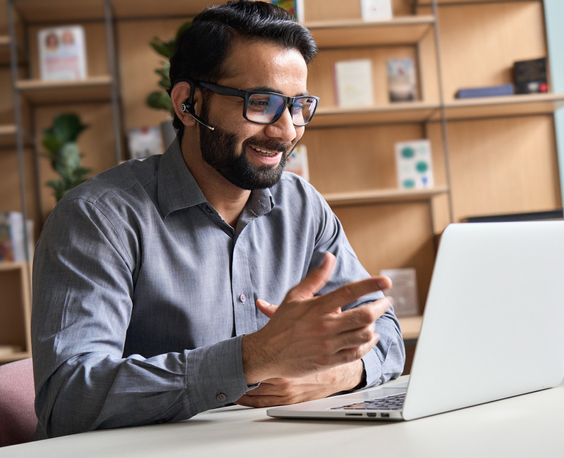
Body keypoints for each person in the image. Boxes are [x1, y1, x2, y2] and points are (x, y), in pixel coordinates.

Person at [31, 1, 404, 439]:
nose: (286, 131)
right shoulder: (97, 218)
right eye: (260, 103)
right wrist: (252, 359)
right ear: (188, 104)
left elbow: (387, 335)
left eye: (298, 105)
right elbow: (68, 397)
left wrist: (332, 376)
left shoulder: (302, 206)